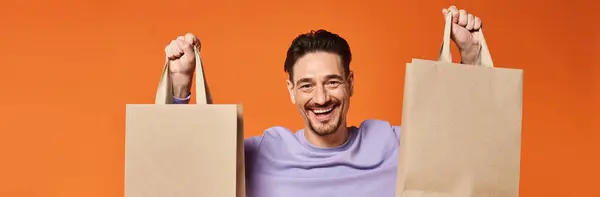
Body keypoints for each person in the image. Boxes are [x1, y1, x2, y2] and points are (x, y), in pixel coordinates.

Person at [163, 5, 484, 197]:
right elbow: (182, 167)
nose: (321, 98)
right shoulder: (261, 153)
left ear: (350, 83)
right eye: (306, 86)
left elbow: (467, 141)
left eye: (332, 82)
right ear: (290, 90)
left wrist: (471, 55)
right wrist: (180, 83)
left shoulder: (394, 143)